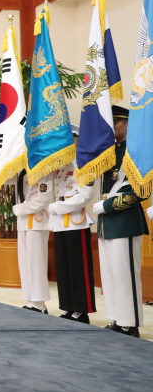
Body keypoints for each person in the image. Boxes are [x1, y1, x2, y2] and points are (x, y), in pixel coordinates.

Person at [93, 106, 146, 337]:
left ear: (126, 124)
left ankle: (130, 321)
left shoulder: (136, 152)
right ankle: (116, 318)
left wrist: (107, 206)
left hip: (125, 220)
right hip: (107, 224)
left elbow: (140, 190)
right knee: (111, 273)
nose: (111, 127)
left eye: (115, 122)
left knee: (125, 274)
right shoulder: (109, 152)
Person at [47, 132, 97, 323]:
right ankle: (69, 307)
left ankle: (82, 310)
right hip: (59, 223)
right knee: (64, 267)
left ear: (77, 140)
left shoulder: (84, 164)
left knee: (79, 268)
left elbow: (86, 195)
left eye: (70, 140)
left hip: (76, 221)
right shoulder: (61, 166)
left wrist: (59, 207)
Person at [12, 169, 53, 313]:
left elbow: (44, 197)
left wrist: (20, 209)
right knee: (25, 262)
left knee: (37, 262)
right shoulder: (22, 173)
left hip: (37, 221)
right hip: (23, 222)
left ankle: (39, 302)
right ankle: (30, 299)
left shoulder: (43, 171)